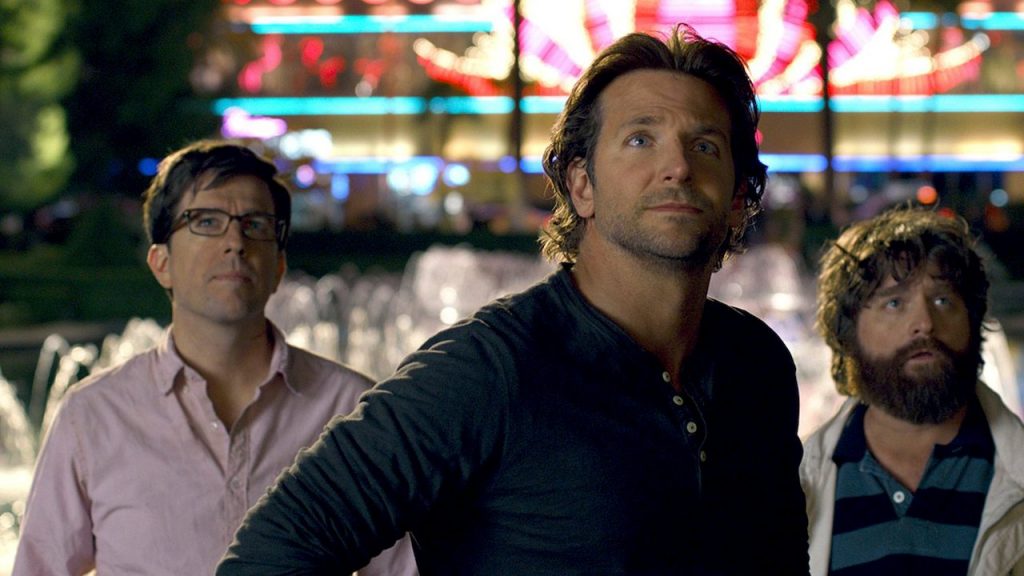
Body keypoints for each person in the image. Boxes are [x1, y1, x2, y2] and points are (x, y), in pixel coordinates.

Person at [219, 25, 808, 575]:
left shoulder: (757, 363)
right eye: (640, 140)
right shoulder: (489, 370)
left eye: (705, 146)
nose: (677, 166)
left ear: (738, 195)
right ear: (581, 185)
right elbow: (274, 550)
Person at [13, 141, 416, 576]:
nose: (235, 243)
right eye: (206, 221)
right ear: (161, 262)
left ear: (279, 267)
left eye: (255, 224)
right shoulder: (93, 416)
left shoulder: (352, 411)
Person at [801, 207, 1024, 575]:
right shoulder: (798, 483)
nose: (924, 323)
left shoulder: (1012, 471)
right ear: (849, 333)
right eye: (894, 302)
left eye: (943, 300)